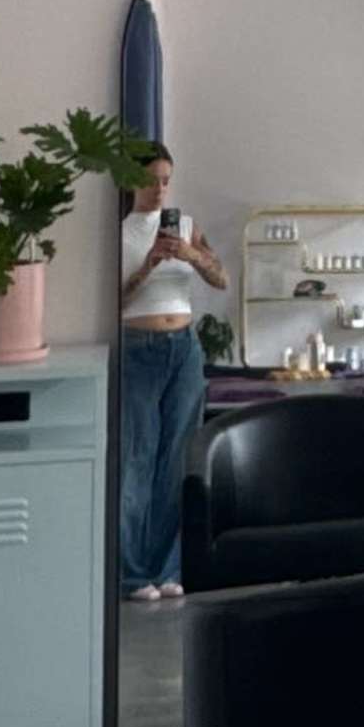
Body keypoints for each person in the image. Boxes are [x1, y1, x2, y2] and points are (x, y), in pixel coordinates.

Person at [116, 159, 227, 604]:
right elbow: (110, 298)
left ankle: (168, 569)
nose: (159, 189)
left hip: (184, 346)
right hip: (136, 347)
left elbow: (221, 278)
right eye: (150, 179)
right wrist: (148, 265)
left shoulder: (187, 226)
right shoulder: (119, 232)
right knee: (135, 460)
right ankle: (131, 574)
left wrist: (190, 255)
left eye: (166, 180)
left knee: (178, 459)